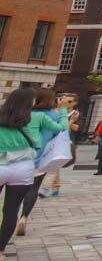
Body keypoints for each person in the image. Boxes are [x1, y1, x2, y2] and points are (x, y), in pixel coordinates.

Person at [16, 88, 70, 235]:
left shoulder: (24, 113)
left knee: (14, 192)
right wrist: (63, 110)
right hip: (40, 158)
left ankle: (9, 217)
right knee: (33, 188)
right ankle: (24, 217)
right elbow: (64, 130)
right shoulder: (53, 115)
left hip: (17, 157)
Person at [0, 86, 43, 253]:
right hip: (22, 169)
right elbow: (37, 144)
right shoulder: (32, 119)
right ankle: (1, 250)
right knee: (11, 210)